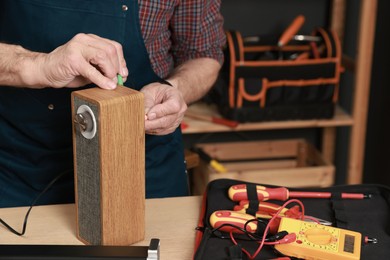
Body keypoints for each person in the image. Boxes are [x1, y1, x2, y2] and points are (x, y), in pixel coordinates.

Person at [0, 0, 225, 207]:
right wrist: (37, 66)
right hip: (18, 167)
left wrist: (175, 90)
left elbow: (203, 54)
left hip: (143, 165)